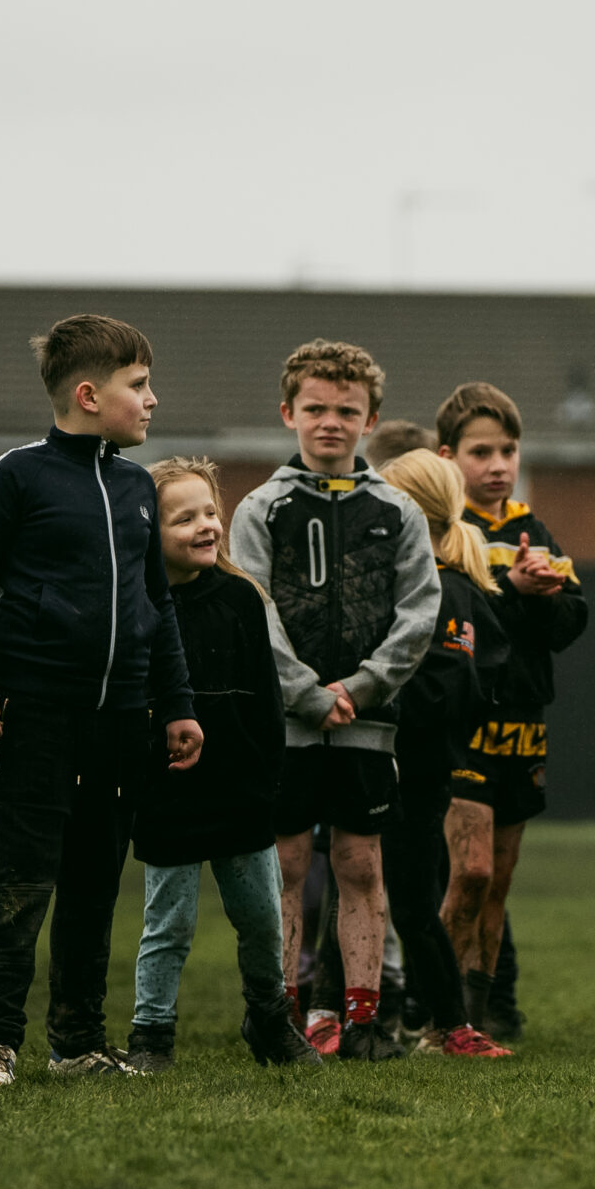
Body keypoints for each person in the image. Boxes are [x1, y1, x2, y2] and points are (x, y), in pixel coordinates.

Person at [0, 314, 203, 1089]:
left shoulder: (137, 488)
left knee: (94, 884)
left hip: (123, 724)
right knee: (18, 881)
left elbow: (157, 606)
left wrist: (178, 703)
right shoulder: (17, 474)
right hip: (34, 718)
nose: (153, 399)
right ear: (89, 395)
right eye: (139, 385)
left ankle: (78, 1042)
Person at [231, 338, 440, 1063]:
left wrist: (360, 687)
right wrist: (303, 692)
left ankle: (362, 1022)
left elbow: (420, 611)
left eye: (346, 411)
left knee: (360, 867)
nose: (330, 422)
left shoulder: (399, 511)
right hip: (288, 723)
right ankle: (279, 1017)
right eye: (315, 408)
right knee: (285, 866)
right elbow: (250, 608)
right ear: (288, 412)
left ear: (371, 419)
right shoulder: (261, 508)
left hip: (366, 724)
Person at [125, 457, 322, 1070]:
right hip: (171, 795)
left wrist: (268, 783)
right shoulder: (139, 606)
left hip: (241, 795)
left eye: (211, 512)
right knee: (169, 925)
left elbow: (268, 705)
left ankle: (269, 1020)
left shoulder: (242, 598)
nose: (206, 526)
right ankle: (151, 1036)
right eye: (184, 518)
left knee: (262, 919)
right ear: (148, 533)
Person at [435, 380, 587, 1040]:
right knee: (467, 873)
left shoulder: (535, 531)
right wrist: (513, 593)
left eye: (509, 450)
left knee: (495, 886)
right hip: (461, 728)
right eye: (481, 451)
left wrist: (546, 596)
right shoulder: (444, 532)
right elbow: (455, 626)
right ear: (448, 456)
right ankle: (432, 1013)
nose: (498, 464)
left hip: (523, 726)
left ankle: (477, 1017)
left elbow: (570, 624)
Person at [378, 448, 516, 1058]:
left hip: (417, 768)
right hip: (373, 759)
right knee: (358, 888)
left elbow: (463, 688)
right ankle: (336, 1015)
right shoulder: (398, 583)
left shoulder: (451, 591)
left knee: (406, 899)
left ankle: (448, 1023)